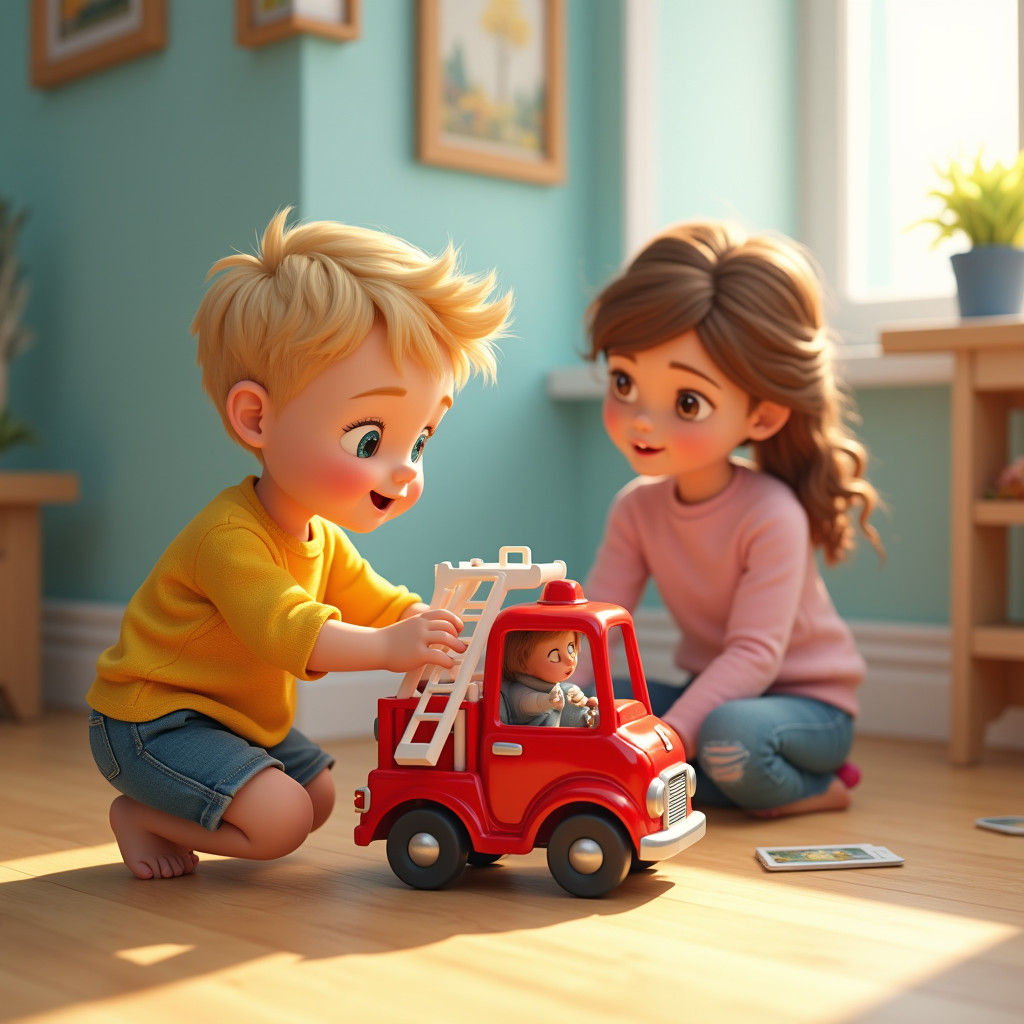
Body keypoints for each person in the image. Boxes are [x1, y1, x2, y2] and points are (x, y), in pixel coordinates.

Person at [87, 209, 512, 878]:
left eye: (420, 440)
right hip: (152, 724)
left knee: (317, 797)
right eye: (369, 440)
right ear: (257, 418)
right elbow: (292, 630)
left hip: (232, 719)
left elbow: (380, 602)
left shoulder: (320, 535)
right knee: (282, 821)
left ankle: (207, 798)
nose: (405, 469)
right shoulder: (230, 538)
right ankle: (139, 815)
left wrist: (452, 631)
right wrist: (388, 649)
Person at [583, 221, 882, 817]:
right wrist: (543, 685)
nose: (643, 419)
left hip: (805, 707)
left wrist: (667, 739)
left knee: (728, 739)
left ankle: (820, 785)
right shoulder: (636, 508)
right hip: (709, 695)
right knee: (592, 709)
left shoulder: (773, 513)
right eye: (624, 381)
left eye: (686, 403)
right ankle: (694, 775)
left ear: (763, 416)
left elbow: (754, 655)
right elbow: (596, 621)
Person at [499, 630, 598, 727]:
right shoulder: (518, 691)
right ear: (522, 660)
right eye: (554, 656)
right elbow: (530, 702)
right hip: (534, 740)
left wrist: (585, 702)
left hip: (556, 733)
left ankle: (589, 717)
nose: (570, 661)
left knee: (569, 690)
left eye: (570, 649)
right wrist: (548, 701)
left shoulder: (556, 687)